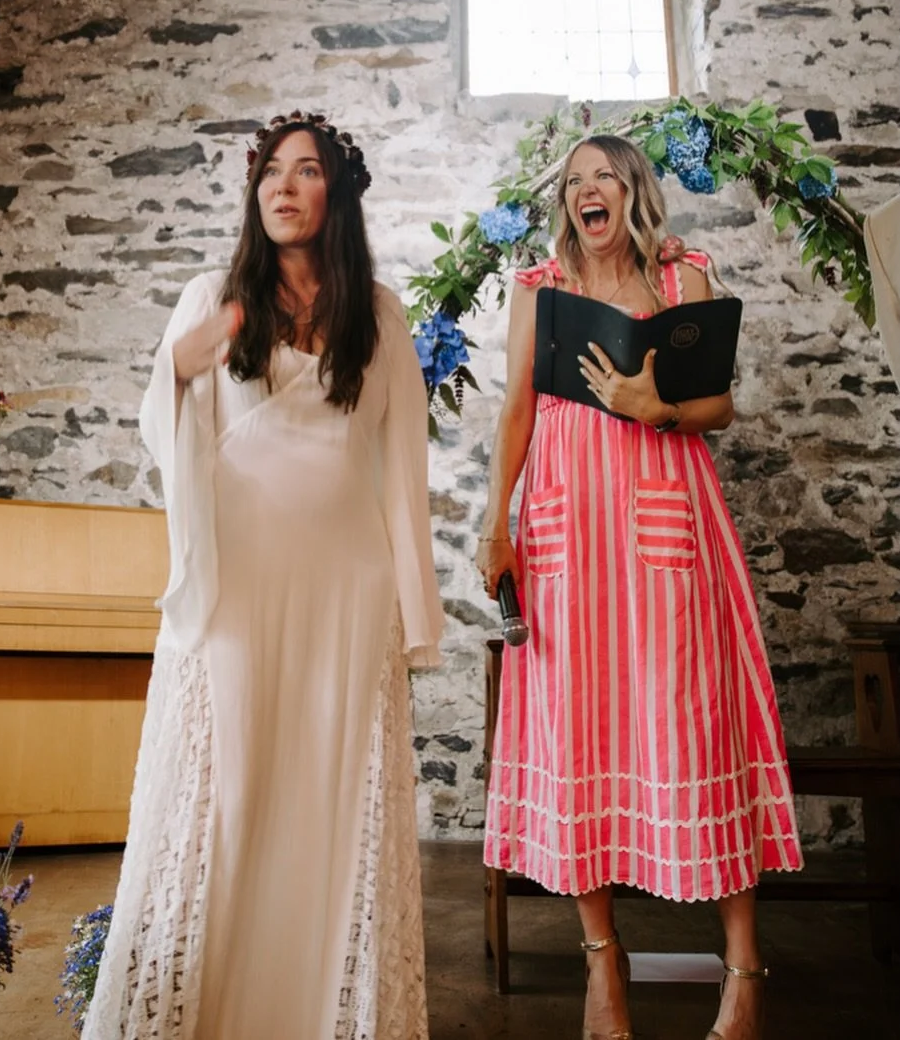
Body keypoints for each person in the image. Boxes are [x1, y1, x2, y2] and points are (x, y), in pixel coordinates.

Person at [83, 111, 444, 1040]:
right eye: (271, 171)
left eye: (307, 170)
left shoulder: (381, 313)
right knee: (230, 806)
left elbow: (404, 465)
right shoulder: (212, 294)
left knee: (329, 818)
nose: (284, 186)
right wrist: (177, 364)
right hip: (238, 591)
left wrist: (416, 618)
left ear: (338, 193)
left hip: (346, 592)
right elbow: (161, 427)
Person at [477, 134, 802, 1040]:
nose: (590, 190)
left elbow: (716, 407)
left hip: (664, 521)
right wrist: (495, 522)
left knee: (695, 722)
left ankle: (743, 969)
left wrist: (652, 407)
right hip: (562, 529)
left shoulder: (681, 273)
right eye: (576, 180)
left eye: (605, 177)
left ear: (632, 192)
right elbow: (515, 410)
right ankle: (601, 966)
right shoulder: (538, 289)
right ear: (564, 203)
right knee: (575, 727)